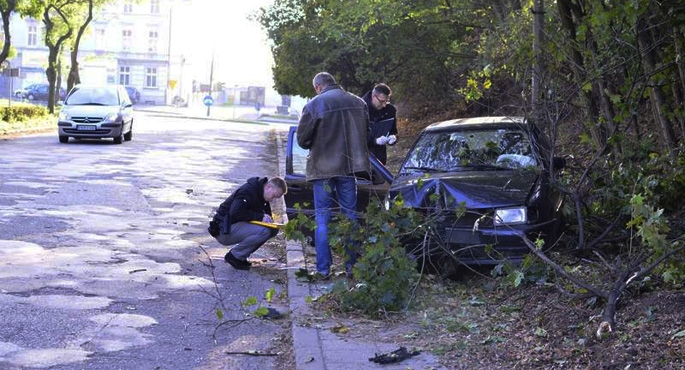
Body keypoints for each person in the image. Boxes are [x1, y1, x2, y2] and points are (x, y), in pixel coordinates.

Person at [297, 72, 371, 279]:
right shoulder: (358, 102)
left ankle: (323, 269)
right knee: (350, 216)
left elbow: (302, 140)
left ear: (318, 87)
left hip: (323, 169)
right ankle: (351, 267)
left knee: (322, 218)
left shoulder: (314, 105)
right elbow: (368, 134)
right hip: (349, 168)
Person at [208, 177, 287, 271]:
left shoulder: (261, 194)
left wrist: (271, 220)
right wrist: (260, 217)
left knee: (273, 230)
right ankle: (234, 257)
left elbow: (265, 215)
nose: (273, 200)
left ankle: (240, 257)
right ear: (268, 187)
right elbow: (236, 212)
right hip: (223, 230)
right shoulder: (248, 191)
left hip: (234, 226)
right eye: (274, 196)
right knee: (264, 231)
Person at [362, 83, 398, 165]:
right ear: (373, 96)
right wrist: (375, 141)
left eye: (387, 101)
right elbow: (356, 137)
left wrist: (393, 137)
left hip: (381, 159)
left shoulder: (390, 111)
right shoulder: (360, 109)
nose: (384, 105)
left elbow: (393, 131)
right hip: (363, 159)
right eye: (382, 101)